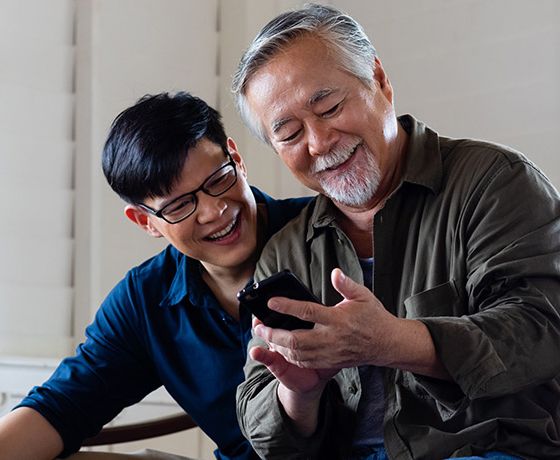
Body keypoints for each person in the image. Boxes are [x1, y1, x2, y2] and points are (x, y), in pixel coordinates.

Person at [232, 4, 560, 460]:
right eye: (288, 134)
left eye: (328, 106)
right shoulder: (286, 252)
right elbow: (265, 433)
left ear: (379, 81)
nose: (318, 142)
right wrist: (300, 394)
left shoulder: (494, 181)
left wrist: (392, 341)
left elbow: (542, 330)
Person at [0, 91, 309, 459]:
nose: (214, 211)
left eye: (218, 179)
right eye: (180, 205)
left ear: (237, 160)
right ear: (145, 222)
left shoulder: (327, 232)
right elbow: (64, 405)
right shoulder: (145, 299)